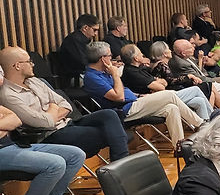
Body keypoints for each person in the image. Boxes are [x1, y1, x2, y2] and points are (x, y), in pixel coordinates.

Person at [0, 47, 129, 162]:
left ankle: (121, 162)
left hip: (67, 123)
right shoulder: (8, 95)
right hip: (48, 135)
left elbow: (66, 105)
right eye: (29, 61)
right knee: (108, 132)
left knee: (110, 115)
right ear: (17, 66)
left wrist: (52, 113)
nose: (32, 64)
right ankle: (121, 167)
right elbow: (45, 123)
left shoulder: (35, 81)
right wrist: (53, 107)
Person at [82, 42, 204, 145]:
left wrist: (140, 96)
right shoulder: (92, 77)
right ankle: (201, 124)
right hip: (123, 110)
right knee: (170, 95)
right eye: (110, 56)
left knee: (171, 108)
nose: (112, 59)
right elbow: (119, 97)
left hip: (134, 102)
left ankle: (179, 146)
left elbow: (124, 92)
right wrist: (115, 74)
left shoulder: (103, 72)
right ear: (103, 58)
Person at [0, 100, 84, 195]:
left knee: (76, 155)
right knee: (55, 164)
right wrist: (5, 123)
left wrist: (8, 123)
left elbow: (15, 120)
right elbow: (9, 121)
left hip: (16, 145)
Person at [146, 41, 214, 122]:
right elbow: (171, 82)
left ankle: (206, 125)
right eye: (168, 49)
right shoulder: (162, 65)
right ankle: (213, 117)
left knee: (200, 101)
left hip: (171, 95)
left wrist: (188, 79)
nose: (171, 51)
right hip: (168, 97)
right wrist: (187, 77)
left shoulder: (159, 64)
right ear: (164, 53)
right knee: (196, 89)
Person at [58, 14, 99, 79]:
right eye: (94, 30)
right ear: (85, 28)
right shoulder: (74, 40)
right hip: (75, 77)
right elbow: (82, 62)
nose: (96, 34)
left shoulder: (79, 39)